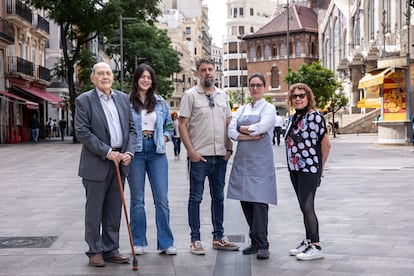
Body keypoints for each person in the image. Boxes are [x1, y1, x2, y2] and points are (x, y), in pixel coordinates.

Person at [74, 62, 137, 267]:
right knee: (94, 210)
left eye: (108, 73)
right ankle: (94, 250)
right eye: (100, 73)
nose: (105, 77)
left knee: (113, 209)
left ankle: (111, 249)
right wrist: (108, 152)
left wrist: (128, 152)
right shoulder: (84, 100)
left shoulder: (123, 98)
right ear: (93, 78)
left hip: (120, 162)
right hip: (97, 163)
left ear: (113, 76)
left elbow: (132, 130)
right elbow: (83, 132)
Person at [179, 57, 239, 255]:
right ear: (198, 73)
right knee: (195, 198)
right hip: (200, 157)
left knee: (219, 197)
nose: (208, 73)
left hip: (220, 156)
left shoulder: (223, 96)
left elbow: (229, 124)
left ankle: (218, 237)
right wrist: (191, 152)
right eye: (203, 70)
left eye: (210, 69)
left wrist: (229, 149)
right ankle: (195, 240)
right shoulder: (190, 95)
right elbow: (182, 125)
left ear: (215, 72)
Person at [127, 63, 177, 256]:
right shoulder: (127, 102)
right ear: (137, 79)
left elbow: (170, 127)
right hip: (136, 152)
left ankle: (166, 242)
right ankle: (138, 241)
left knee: (162, 199)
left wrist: (164, 138)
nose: (145, 80)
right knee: (137, 200)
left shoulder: (160, 102)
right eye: (142, 77)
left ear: (152, 80)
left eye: (149, 77)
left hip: (157, 152)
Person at [227, 73, 277, 260]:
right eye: (252, 85)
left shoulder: (269, 108)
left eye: (258, 85)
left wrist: (241, 129)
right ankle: (254, 241)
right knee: (245, 200)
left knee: (259, 202)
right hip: (243, 162)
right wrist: (246, 133)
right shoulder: (242, 109)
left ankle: (263, 243)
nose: (255, 88)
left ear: (264, 87)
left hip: (261, 163)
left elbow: (262, 127)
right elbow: (230, 130)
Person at [284, 83, 331, 261]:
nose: (298, 98)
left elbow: (326, 144)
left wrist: (321, 168)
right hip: (295, 168)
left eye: (302, 95)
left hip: (309, 168)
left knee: (307, 206)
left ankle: (317, 246)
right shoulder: (293, 118)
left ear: (308, 98)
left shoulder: (315, 117)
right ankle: (308, 241)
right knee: (302, 206)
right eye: (295, 96)